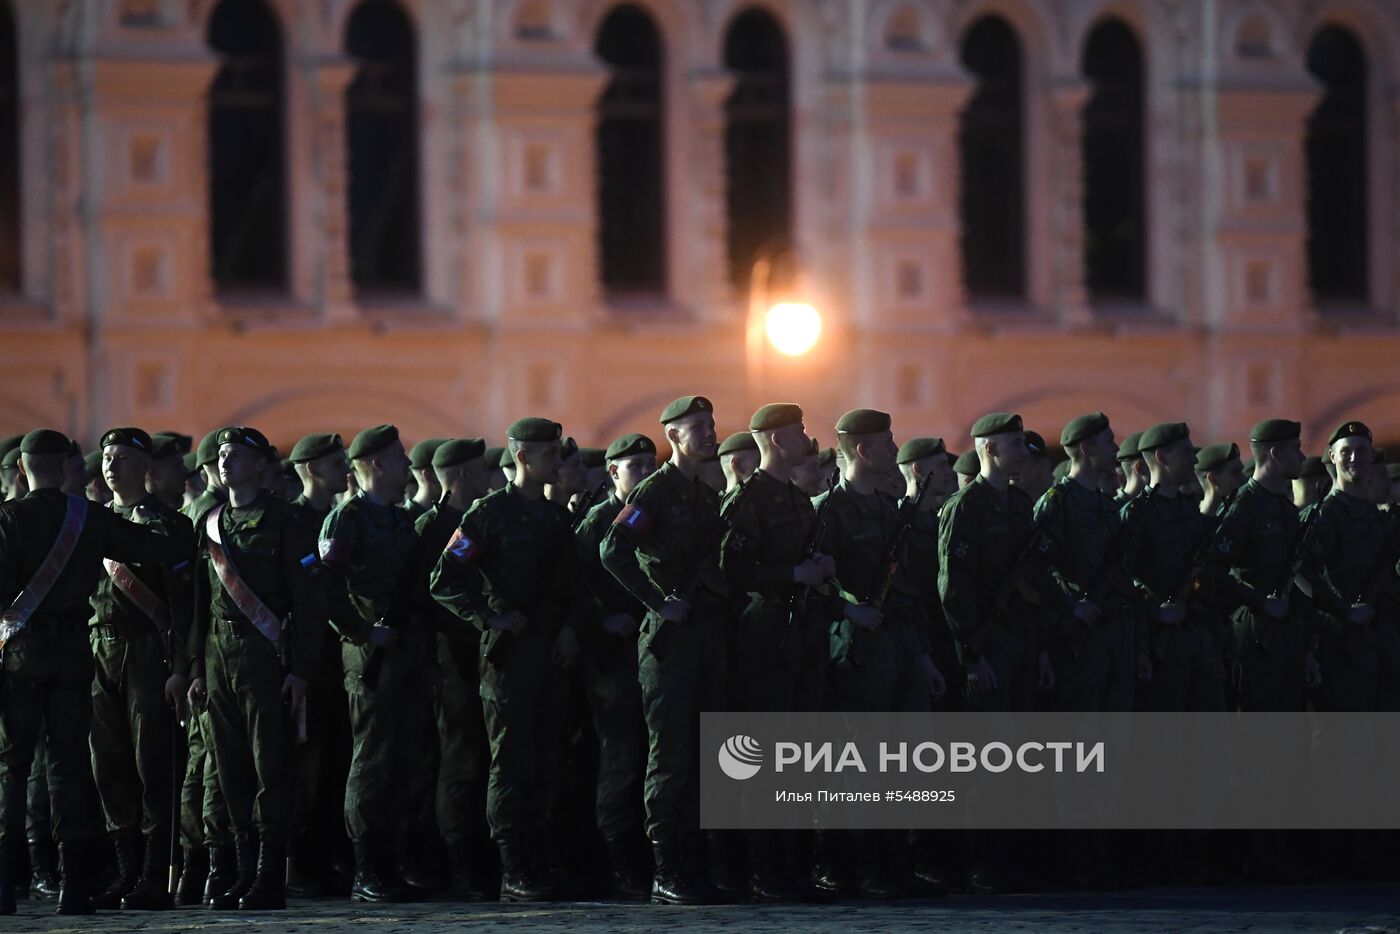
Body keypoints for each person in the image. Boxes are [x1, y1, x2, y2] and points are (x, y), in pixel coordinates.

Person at [0, 429, 175, 916]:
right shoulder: (88, 518)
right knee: (69, 768)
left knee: (12, 768)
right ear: (67, 465)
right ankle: (73, 886)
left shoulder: (9, 518)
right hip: (76, 652)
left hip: (20, 654)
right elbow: (160, 545)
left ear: (22, 470)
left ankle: (5, 884)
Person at [431, 417, 585, 902]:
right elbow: (444, 578)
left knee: (545, 760)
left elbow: (574, 588)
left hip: (550, 654)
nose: (557, 462)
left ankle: (539, 860)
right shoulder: (488, 515)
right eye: (548, 455)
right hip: (509, 658)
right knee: (511, 762)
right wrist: (487, 618)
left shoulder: (558, 519)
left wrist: (569, 630)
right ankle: (512, 865)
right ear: (522, 457)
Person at [186, 427, 321, 911]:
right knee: (230, 768)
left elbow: (308, 601)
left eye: (237, 455)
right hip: (219, 654)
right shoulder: (210, 520)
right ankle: (243, 873)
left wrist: (301, 669)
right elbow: (200, 602)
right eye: (221, 455)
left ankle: (268, 878)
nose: (225, 462)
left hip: (266, 656)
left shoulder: (285, 520)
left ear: (262, 465)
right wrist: (197, 665)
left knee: (269, 767)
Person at [599, 396, 726, 905]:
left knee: (701, 752)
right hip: (667, 643)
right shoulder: (655, 491)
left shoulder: (703, 492)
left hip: (702, 637)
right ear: (673, 437)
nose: (709, 433)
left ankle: (694, 865)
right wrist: (658, 601)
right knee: (670, 754)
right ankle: (666, 869)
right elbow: (612, 550)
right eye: (697, 426)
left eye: (711, 424)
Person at [87, 428, 195, 911]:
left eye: (122, 458)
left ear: (145, 467)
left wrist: (181, 666)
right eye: (107, 457)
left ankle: (154, 873)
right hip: (97, 651)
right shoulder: (88, 522)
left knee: (151, 763)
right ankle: (125, 870)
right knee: (108, 764)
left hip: (149, 653)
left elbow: (184, 604)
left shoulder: (168, 525)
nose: (111, 466)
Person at [316, 425, 419, 903]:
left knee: (401, 759)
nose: (408, 464)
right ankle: (367, 867)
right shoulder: (347, 519)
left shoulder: (400, 522)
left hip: (403, 651)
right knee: (372, 759)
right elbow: (325, 588)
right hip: (368, 653)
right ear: (377, 464)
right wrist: (362, 632)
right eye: (400, 457)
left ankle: (392, 862)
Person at [573, 432, 658, 899]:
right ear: (613, 473)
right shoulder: (599, 522)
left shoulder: (652, 516)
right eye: (636, 465)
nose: (646, 473)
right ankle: (620, 862)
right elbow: (573, 584)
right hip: (611, 660)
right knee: (621, 759)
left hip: (653, 655)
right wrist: (604, 617)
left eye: (651, 464)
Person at [412, 439, 495, 901]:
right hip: (449, 655)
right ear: (462, 475)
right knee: (459, 758)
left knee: (477, 754)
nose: (488, 474)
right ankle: (457, 862)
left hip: (475, 652)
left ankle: (474, 857)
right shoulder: (432, 528)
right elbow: (424, 598)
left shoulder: (471, 522)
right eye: (480, 468)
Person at [1120, 422, 1224, 712]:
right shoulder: (1137, 512)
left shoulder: (1189, 507)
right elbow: (1124, 576)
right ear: (1162, 458)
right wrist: (1156, 612)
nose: (1194, 459)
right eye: (1186, 452)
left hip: (1196, 633)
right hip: (1159, 640)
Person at [1299, 421, 1396, 711]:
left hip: (1377, 641)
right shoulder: (1324, 515)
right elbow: (1302, 576)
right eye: (1347, 451)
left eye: (1362, 451)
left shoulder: (1374, 515)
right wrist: (1343, 610)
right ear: (1332, 456)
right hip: (1336, 643)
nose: (1355, 458)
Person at [1195, 443, 1246, 517]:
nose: (1243, 479)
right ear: (1213, 479)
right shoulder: (1195, 522)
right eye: (1235, 473)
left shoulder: (1232, 513)